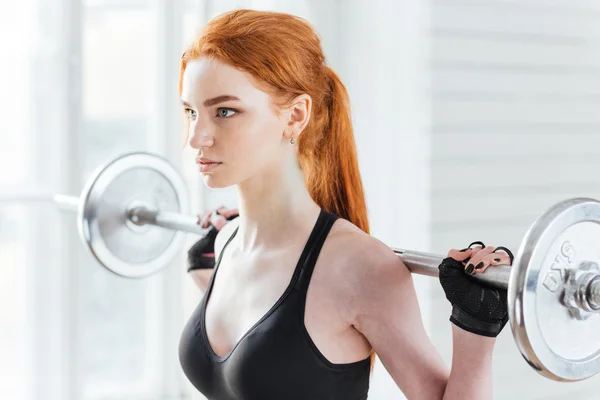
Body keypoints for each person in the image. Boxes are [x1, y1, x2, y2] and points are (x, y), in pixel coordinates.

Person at [178, 9, 513, 400]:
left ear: (295, 116)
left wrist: (477, 326)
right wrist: (205, 273)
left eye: (224, 112)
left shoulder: (362, 267)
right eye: (191, 112)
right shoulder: (227, 241)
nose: (196, 138)